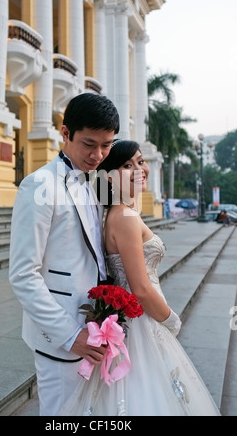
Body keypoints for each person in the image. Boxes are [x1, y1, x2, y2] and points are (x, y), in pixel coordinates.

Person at [58, 139, 221, 416]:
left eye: (140, 161)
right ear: (108, 175)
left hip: (139, 318)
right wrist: (171, 319)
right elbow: (141, 289)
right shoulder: (125, 218)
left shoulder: (123, 212)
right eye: (127, 165)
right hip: (142, 320)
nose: (139, 169)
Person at [8, 92, 120, 416]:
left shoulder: (96, 184)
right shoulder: (38, 184)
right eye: (89, 143)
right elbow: (22, 275)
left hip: (96, 328)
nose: (98, 154)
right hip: (61, 337)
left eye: (107, 144)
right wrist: (71, 336)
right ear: (65, 132)